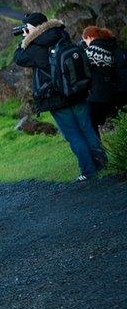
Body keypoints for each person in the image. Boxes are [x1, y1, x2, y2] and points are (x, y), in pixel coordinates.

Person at [14, 12, 106, 182]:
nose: (24, 31)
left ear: (33, 27)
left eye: (26, 27)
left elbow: (18, 58)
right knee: (87, 129)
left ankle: (88, 171)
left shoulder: (35, 46)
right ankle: (102, 164)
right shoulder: (61, 34)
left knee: (73, 135)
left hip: (55, 97)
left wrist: (25, 40)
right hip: (77, 90)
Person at [81, 26, 122, 132]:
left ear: (89, 37)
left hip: (96, 95)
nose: (85, 43)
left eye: (85, 40)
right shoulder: (111, 47)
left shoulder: (90, 52)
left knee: (92, 126)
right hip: (113, 92)